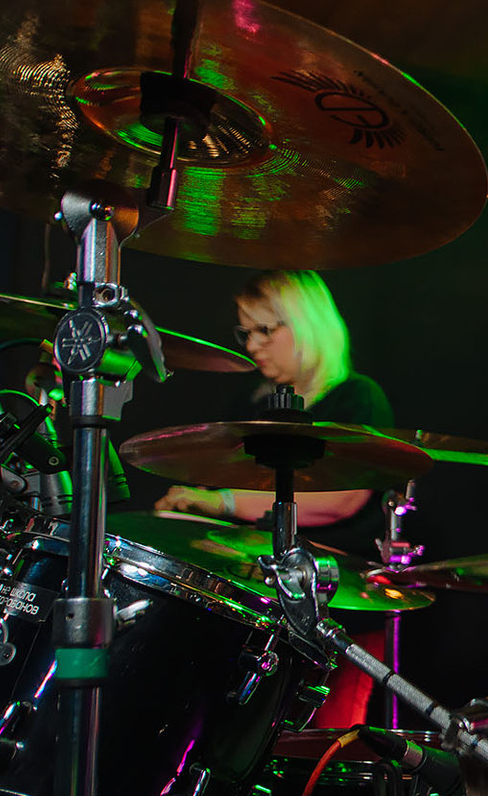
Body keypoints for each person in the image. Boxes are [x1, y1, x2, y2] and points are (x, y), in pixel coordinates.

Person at [154, 268, 394, 725]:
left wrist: (223, 502)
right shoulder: (252, 407)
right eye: (245, 332)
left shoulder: (356, 400)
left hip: (338, 606)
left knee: (319, 738)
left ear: (306, 326)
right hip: (258, 602)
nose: (252, 345)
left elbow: (341, 499)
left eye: (265, 330)